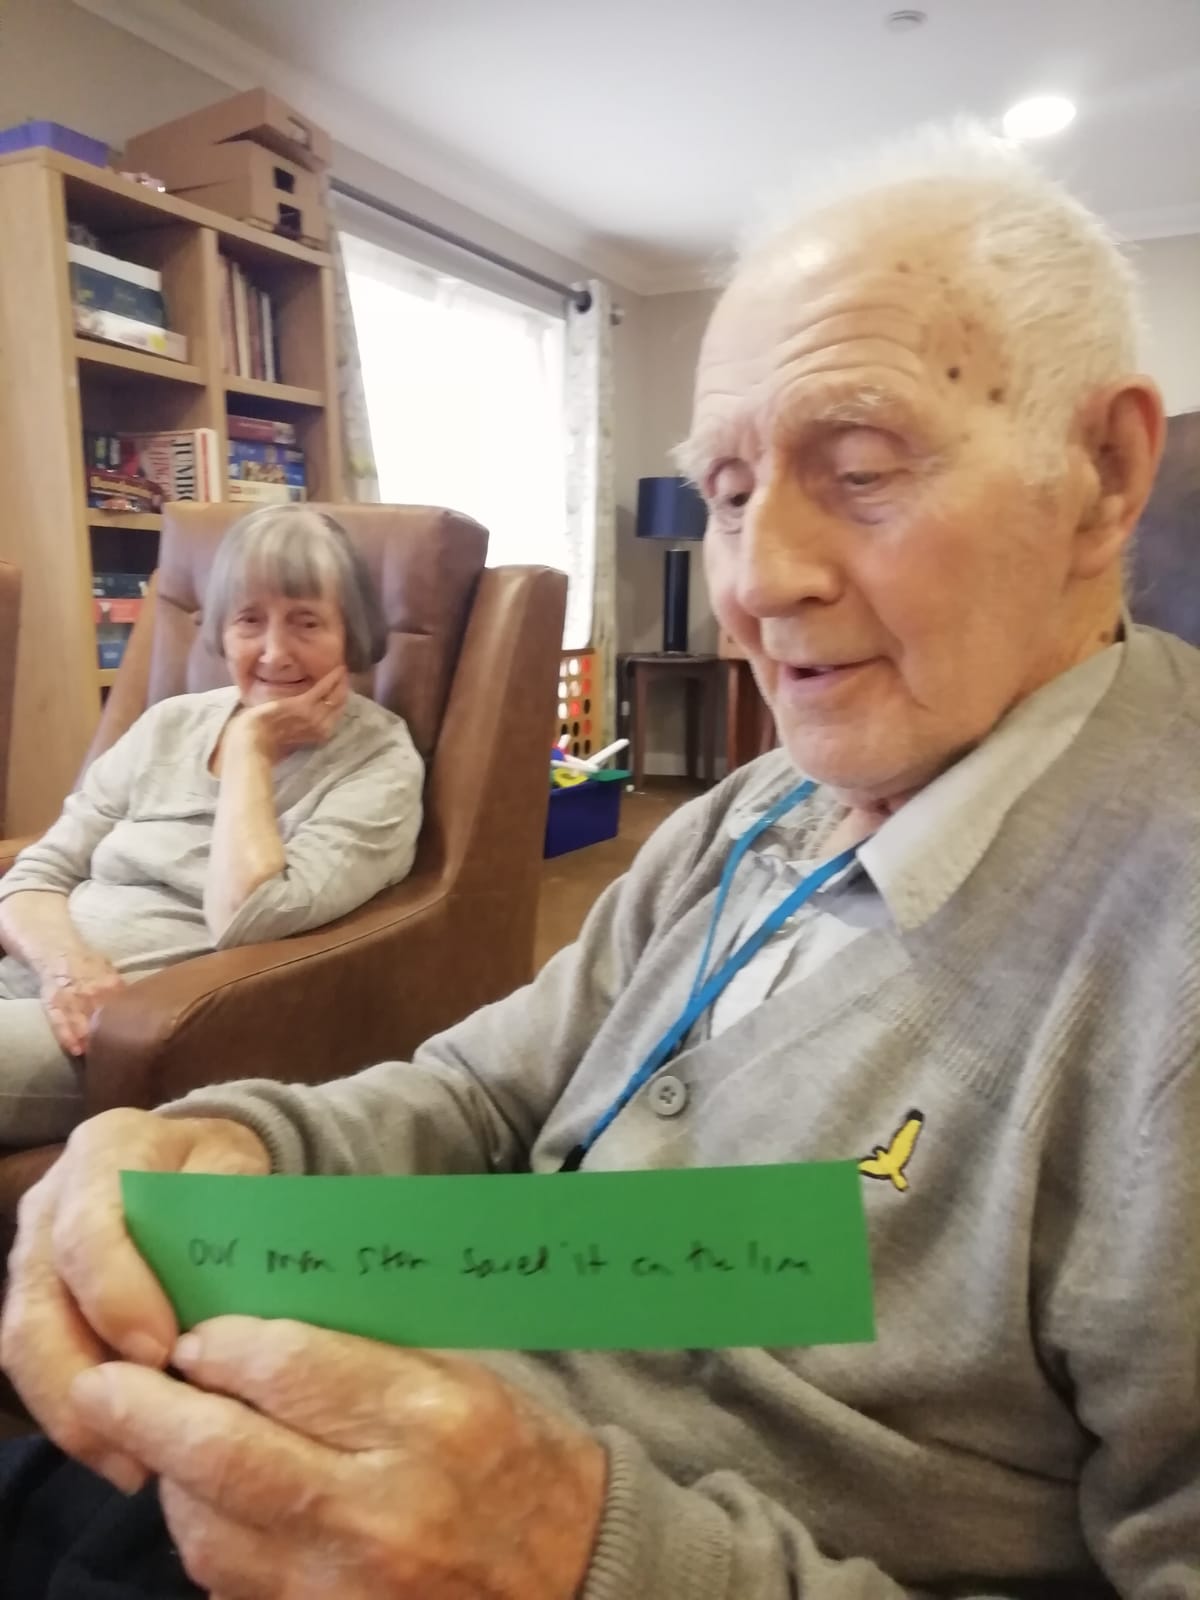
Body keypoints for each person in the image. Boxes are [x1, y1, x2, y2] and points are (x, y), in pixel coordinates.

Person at [3, 124, 1199, 1599]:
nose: (755, 582)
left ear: (1103, 471)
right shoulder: (753, 807)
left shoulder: (1166, 969)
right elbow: (486, 1086)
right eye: (733, 488)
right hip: (331, 1426)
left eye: (866, 467)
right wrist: (239, 1141)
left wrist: (579, 1550)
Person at [0, 505, 423, 1147]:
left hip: (131, 1026)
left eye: (307, 622)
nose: (275, 652)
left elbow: (249, 916)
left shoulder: (378, 764)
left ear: (353, 634)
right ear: (221, 633)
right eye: (250, 620)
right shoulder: (169, 724)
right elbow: (39, 870)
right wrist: (63, 964)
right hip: (48, 974)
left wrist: (253, 749)